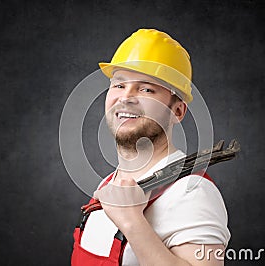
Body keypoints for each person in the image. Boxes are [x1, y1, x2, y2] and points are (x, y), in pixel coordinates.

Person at [71, 29, 230, 266]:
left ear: (177, 111)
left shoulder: (192, 193)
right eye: (119, 85)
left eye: (146, 89)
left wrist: (132, 222)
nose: (126, 97)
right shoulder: (108, 185)